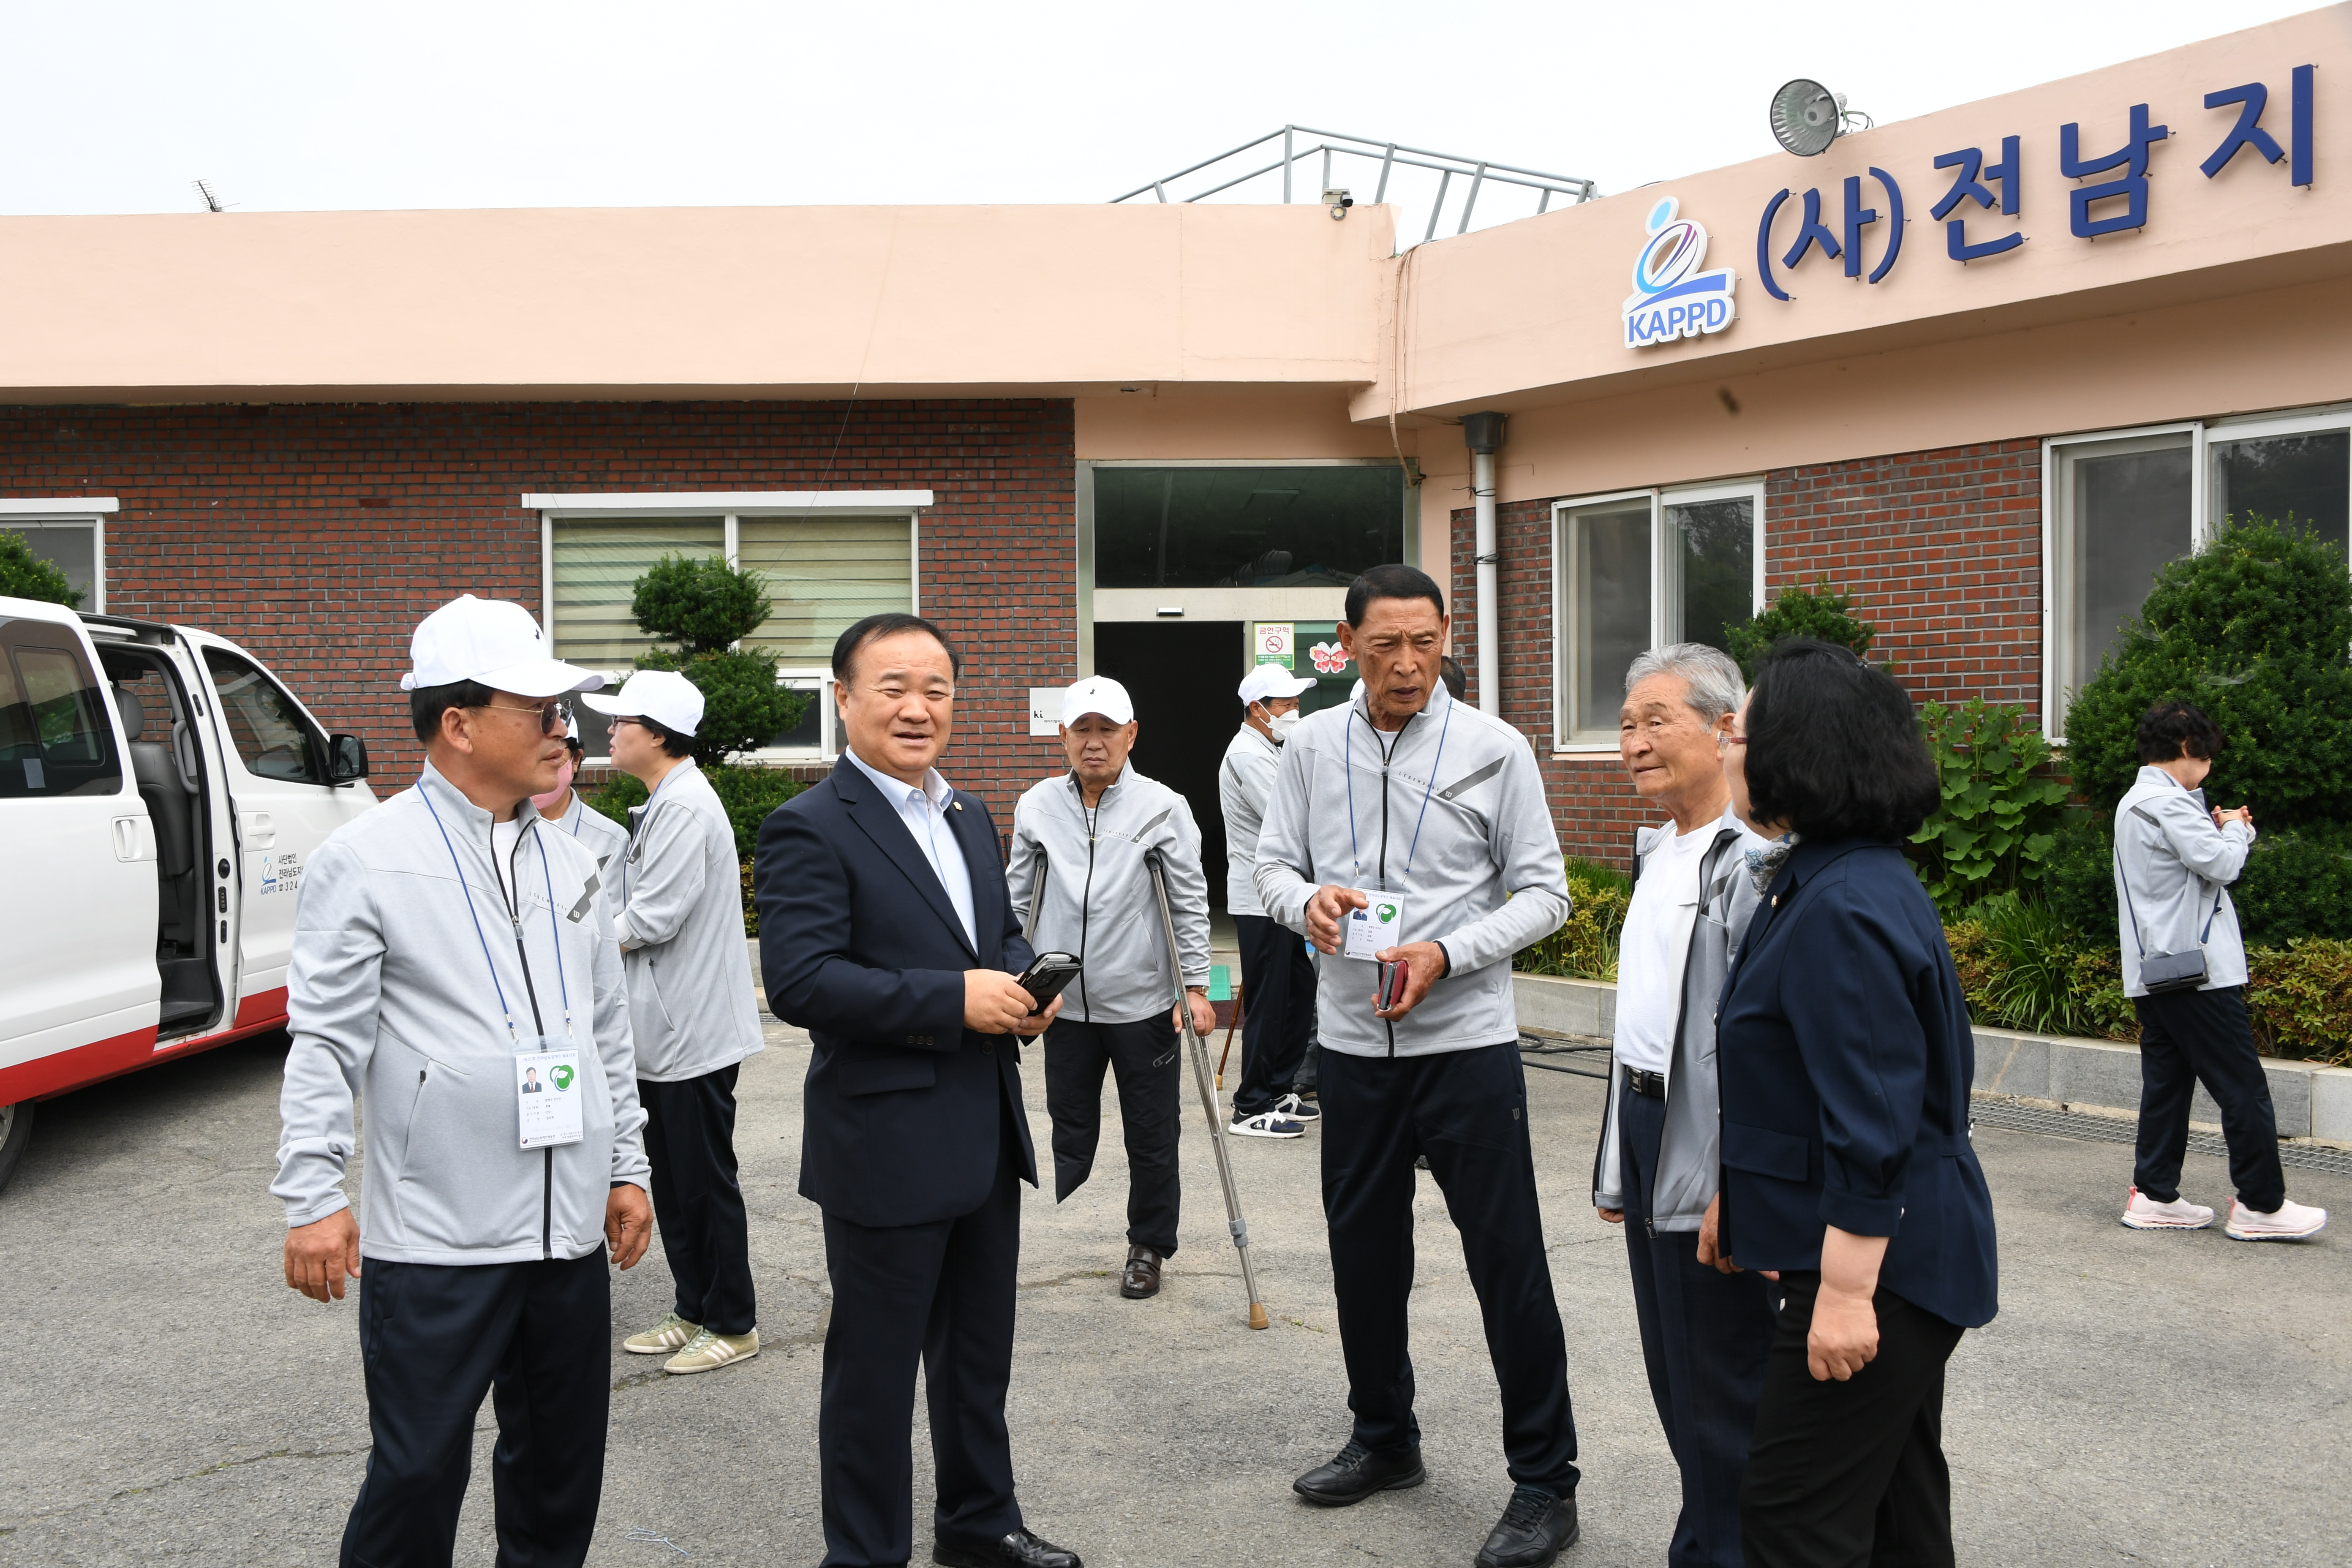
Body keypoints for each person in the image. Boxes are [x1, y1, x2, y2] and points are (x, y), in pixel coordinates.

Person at [273, 593, 652, 1568]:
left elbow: (603, 1026)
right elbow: (325, 1040)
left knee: (561, 1473)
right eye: (541, 709)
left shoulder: (570, 861)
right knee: (415, 1474)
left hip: (566, 1231)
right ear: (459, 722)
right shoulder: (364, 861)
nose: (562, 730)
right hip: (437, 1238)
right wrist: (313, 1195)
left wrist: (625, 1166)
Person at [1255, 564, 1583, 1568]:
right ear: (1348, 644)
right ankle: (1384, 1438)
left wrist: (1450, 952)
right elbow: (1269, 864)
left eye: (1425, 642)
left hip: (1466, 1047)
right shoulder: (1307, 747)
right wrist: (1300, 903)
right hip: (1352, 1051)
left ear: (1447, 639)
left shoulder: (1495, 748)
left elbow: (1545, 894)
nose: (1407, 664)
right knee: (1363, 1257)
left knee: (1506, 1264)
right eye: (1386, 644)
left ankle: (1542, 1484)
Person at [754, 612, 1080, 1568]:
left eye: (935, 688)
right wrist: (955, 999)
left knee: (976, 1361)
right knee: (875, 1373)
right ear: (844, 699)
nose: (916, 707)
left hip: (981, 1130)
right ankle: (863, 1554)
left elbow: (995, 942)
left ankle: (980, 1524)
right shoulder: (808, 825)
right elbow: (802, 983)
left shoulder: (968, 813)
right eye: (892, 686)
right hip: (885, 1144)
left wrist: (1022, 989)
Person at [1709, 638, 1998, 1568]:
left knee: (1794, 1517)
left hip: (1888, 1266)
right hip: (1894, 1250)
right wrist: (1742, 1200)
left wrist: (1842, 1289)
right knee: (1895, 1513)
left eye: (1740, 731)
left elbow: (1873, 1121)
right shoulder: (1838, 876)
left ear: (1796, 749)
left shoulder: (1840, 904)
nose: (1728, 747)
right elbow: (1802, 1090)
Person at [1590, 644, 1776, 1568]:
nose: (1633, 741)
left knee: (1724, 1376)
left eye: (1656, 720)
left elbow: (1757, 1045)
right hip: (1649, 1123)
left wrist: (1738, 1176)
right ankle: (1707, 1533)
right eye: (1626, 724)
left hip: (1718, 1144)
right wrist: (1620, 1157)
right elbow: (1647, 1015)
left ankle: (1729, 1547)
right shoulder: (1658, 846)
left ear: (1725, 725)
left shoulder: (1756, 863)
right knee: (1677, 1369)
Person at [584, 668, 770, 1373]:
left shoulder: (686, 806)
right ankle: (692, 1306)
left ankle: (732, 1321)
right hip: (664, 1029)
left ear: (656, 733)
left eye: (621, 721)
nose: (611, 731)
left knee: (701, 1180)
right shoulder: (665, 801)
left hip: (690, 1031)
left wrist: (576, 944)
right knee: (670, 1178)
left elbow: (653, 917)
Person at [1008, 675, 1216, 1300]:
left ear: (1131, 735)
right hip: (1063, 1002)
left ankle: (1149, 1244)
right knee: (1069, 1121)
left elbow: (1187, 900)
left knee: (1152, 1133)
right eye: (1082, 730)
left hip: (1143, 999)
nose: (1093, 743)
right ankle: (1070, 1185)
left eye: (1106, 730)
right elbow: (1018, 897)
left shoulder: (1164, 806)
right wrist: (1010, 975)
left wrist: (1198, 985)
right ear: (1062, 737)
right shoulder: (1036, 805)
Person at [2114, 700, 2327, 1240]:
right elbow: (2223, 864)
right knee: (2243, 1086)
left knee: (2168, 1084)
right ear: (2187, 749)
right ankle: (2261, 1205)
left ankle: (2155, 1193)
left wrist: (2218, 830)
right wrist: (2237, 829)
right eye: (2206, 755)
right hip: (2197, 972)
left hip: (2157, 971)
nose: (2208, 765)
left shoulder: (2136, 802)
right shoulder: (2171, 803)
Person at [1218, 663, 1319, 1139]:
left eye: (1297, 703)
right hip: (1261, 899)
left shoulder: (1269, 747)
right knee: (1268, 1001)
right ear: (1258, 710)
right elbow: (1290, 815)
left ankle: (1278, 1088)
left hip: (1284, 896)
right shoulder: (1248, 754)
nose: (1295, 711)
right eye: (1287, 704)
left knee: (1296, 995)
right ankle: (1251, 1103)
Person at [534, 716, 631, 925]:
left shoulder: (610, 841)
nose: (538, 763)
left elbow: (612, 928)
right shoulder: (494, 827)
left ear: (576, 760)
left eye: (553, 755)